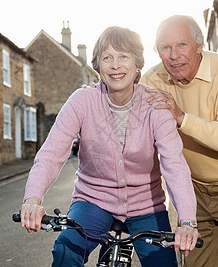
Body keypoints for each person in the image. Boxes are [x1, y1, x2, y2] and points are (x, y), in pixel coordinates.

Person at [20, 26, 200, 267]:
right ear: (98, 66)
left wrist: (187, 221)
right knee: (65, 251)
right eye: (107, 57)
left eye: (124, 56)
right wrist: (32, 199)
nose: (115, 65)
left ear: (137, 64)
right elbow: (52, 153)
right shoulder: (82, 101)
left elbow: (174, 165)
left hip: (146, 205)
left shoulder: (156, 106)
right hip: (93, 201)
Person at [141, 15, 218, 267]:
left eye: (182, 45)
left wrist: (181, 117)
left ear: (199, 46)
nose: (174, 55)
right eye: (165, 48)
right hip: (192, 191)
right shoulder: (152, 81)